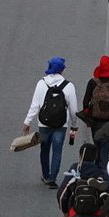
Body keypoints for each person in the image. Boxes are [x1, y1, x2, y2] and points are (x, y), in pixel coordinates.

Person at [21, 57, 80, 189]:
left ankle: (46, 175)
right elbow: (73, 109)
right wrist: (74, 125)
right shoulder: (68, 86)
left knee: (44, 149)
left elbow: (35, 105)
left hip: (44, 123)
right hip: (61, 124)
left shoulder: (41, 83)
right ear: (62, 70)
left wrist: (27, 121)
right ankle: (53, 178)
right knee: (57, 151)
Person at [81, 56, 109, 139]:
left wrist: (88, 116)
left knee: (97, 141)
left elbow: (85, 102)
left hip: (95, 119)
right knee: (107, 143)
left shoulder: (92, 82)